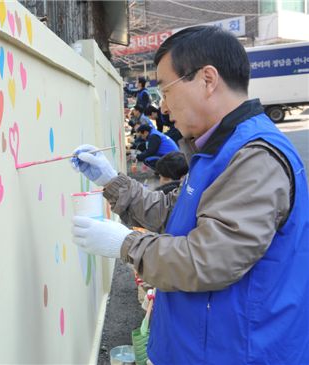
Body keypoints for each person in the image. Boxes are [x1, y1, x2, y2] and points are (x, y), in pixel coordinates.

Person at [70, 25, 309, 365]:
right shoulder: (220, 147)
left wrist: (125, 244)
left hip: (241, 353)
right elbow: (176, 212)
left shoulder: (255, 157)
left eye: (165, 90)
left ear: (207, 80)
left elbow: (209, 259)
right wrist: (113, 182)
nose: (163, 108)